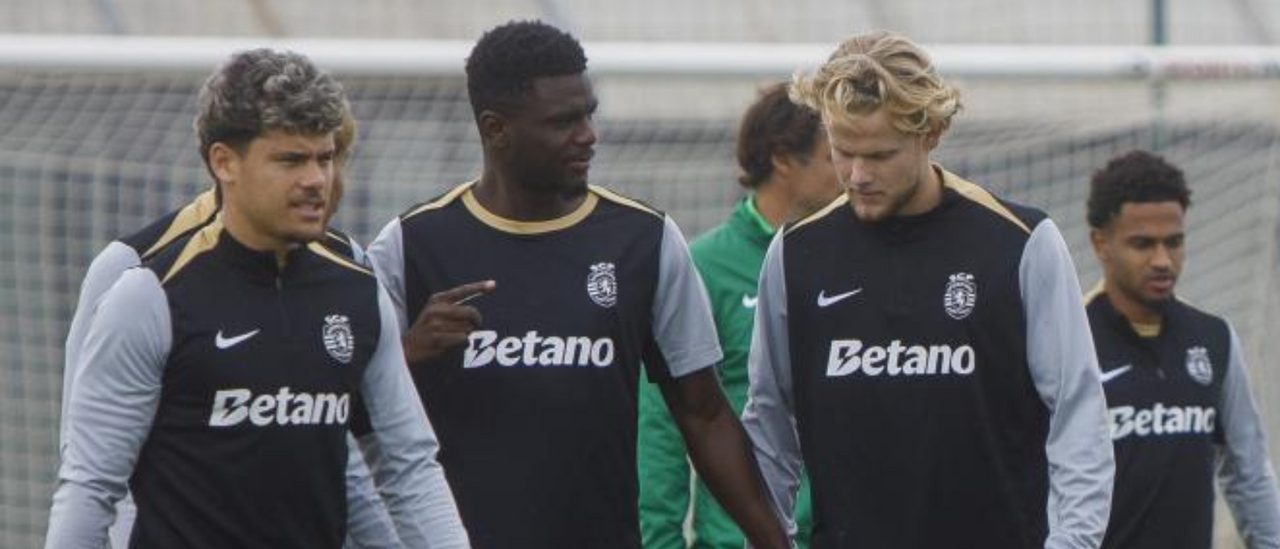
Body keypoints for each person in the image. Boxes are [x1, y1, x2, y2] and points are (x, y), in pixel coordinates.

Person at [366, 20, 788, 549]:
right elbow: (341, 409)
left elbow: (703, 413)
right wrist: (405, 353)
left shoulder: (644, 241)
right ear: (496, 129)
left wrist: (775, 542)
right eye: (563, 121)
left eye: (589, 113)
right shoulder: (410, 246)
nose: (588, 135)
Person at [46, 48, 468, 549]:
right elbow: (91, 486)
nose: (316, 180)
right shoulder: (150, 294)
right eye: (291, 160)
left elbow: (410, 468)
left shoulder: (357, 290)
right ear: (224, 162)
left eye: (324, 158)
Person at [740, 30, 1115, 549]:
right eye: (842, 152)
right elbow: (768, 424)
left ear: (932, 132)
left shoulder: (1020, 242)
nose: (858, 174)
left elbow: (1079, 413)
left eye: (880, 155)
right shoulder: (796, 253)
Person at [638, 82, 838, 549]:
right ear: (783, 159)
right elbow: (661, 425)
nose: (853, 172)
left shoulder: (854, 261)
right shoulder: (703, 267)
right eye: (835, 157)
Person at [1084, 150, 1280, 549]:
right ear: (1101, 243)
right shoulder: (1070, 341)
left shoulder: (1213, 338)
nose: (1163, 260)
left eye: (1173, 242)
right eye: (1143, 244)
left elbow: (1249, 475)